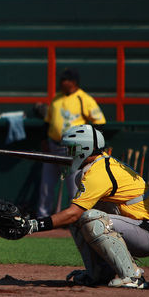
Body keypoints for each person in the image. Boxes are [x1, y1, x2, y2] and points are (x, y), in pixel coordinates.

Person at [0, 124, 149, 289]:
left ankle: (133, 276)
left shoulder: (100, 172)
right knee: (80, 220)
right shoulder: (96, 167)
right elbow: (74, 216)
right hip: (132, 226)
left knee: (90, 219)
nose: (68, 153)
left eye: (72, 149)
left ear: (85, 148)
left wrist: (30, 226)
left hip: (148, 233)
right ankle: (98, 273)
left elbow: (73, 213)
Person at [36, 68, 106, 218]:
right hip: (53, 145)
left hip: (74, 149)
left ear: (73, 82)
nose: (62, 82)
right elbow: (47, 122)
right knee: (46, 185)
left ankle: (76, 219)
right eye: (62, 80)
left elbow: (100, 122)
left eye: (65, 80)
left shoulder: (84, 98)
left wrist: (93, 145)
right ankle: (42, 217)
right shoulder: (56, 98)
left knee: (74, 186)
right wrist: (44, 139)